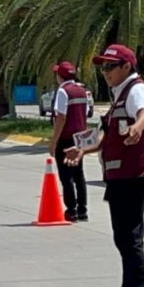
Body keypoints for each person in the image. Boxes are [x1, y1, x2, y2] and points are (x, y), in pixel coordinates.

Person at [64, 44, 144, 287]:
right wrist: (83, 150)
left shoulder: (137, 91)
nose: (105, 72)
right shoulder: (119, 96)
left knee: (130, 240)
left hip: (135, 175)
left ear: (126, 67)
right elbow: (104, 135)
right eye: (103, 67)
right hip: (121, 176)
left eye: (111, 66)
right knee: (124, 239)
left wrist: (137, 127)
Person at [47, 61, 89, 222]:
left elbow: (61, 117)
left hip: (66, 139)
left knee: (66, 177)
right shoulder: (82, 91)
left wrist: (54, 141)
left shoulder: (63, 92)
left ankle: (71, 210)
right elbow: (86, 113)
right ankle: (83, 210)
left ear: (60, 76)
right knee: (79, 175)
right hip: (80, 138)